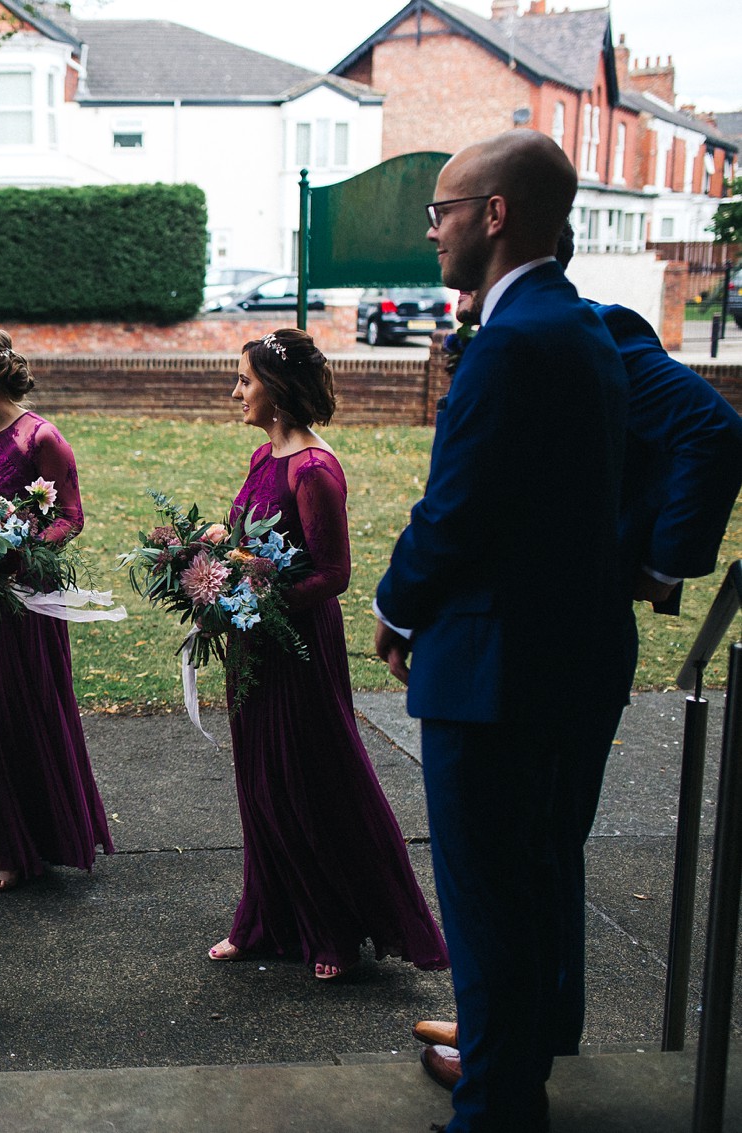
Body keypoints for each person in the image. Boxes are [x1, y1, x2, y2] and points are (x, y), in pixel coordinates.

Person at [414, 225, 742, 1093]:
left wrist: (659, 564)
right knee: (548, 849)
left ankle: (503, 1050)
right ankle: (529, 1024)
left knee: (518, 860)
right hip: (565, 639)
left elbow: (712, 429)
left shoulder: (598, 335)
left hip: (539, 645)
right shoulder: (522, 343)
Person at [374, 130, 636, 1133]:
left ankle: (492, 1106)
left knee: (488, 908)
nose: (429, 230)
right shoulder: (579, 328)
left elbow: (455, 510)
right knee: (531, 885)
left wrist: (396, 608)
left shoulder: (514, 342)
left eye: (441, 209)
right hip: (572, 654)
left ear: (492, 214)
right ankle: (503, 1061)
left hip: (497, 672)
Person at [206, 328, 449, 981]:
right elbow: (252, 543)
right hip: (252, 643)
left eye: (246, 380)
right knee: (260, 782)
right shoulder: (265, 458)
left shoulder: (314, 471)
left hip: (296, 649)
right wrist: (213, 554)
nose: (237, 391)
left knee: (309, 781)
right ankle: (265, 919)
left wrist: (260, 593)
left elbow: (334, 573)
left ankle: (333, 928)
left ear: (278, 391)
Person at [0, 329, 114, 891]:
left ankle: (19, 844)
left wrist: (14, 552)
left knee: (15, 711)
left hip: (20, 604)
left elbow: (70, 517)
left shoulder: (40, 439)